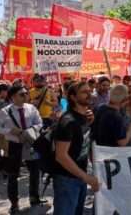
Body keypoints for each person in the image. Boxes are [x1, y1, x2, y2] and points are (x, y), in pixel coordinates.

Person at [53, 82, 100, 215]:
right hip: (66, 179)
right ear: (73, 97)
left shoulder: (84, 117)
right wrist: (86, 177)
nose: (89, 94)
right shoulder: (68, 121)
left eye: (89, 91)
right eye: (84, 92)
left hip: (79, 176)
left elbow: (83, 143)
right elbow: (61, 156)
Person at [0, 85, 44, 214]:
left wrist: (30, 131)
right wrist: (10, 130)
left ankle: (34, 198)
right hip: (14, 146)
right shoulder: (4, 112)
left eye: (26, 93)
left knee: (35, 172)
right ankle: (14, 203)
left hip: (30, 144)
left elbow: (39, 123)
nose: (26, 96)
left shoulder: (31, 108)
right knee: (13, 176)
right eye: (22, 94)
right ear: (13, 97)